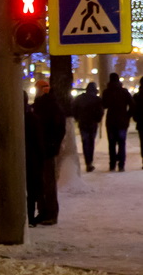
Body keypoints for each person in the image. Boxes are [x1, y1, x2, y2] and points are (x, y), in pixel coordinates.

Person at [31, 80, 65, 226]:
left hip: (46, 150)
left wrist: (53, 144)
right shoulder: (43, 105)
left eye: (38, 88)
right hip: (43, 149)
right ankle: (44, 212)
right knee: (42, 183)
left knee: (47, 183)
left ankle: (49, 213)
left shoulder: (48, 106)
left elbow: (58, 129)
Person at [101, 72, 134, 172]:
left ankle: (112, 164)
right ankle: (121, 165)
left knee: (111, 144)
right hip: (122, 121)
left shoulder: (106, 92)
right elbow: (132, 105)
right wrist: (128, 115)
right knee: (122, 143)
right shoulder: (124, 92)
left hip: (111, 121)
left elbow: (104, 105)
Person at [71, 81, 104, 172]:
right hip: (93, 123)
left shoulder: (80, 98)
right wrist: (97, 119)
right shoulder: (97, 99)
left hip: (83, 123)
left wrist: (78, 118)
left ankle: (87, 162)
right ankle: (90, 162)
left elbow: (73, 109)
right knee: (91, 142)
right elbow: (100, 112)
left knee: (85, 143)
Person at [23, 93, 44, 227]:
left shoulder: (11, 117)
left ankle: (20, 216)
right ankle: (30, 217)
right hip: (31, 159)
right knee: (31, 189)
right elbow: (38, 141)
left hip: (16, 160)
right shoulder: (32, 118)